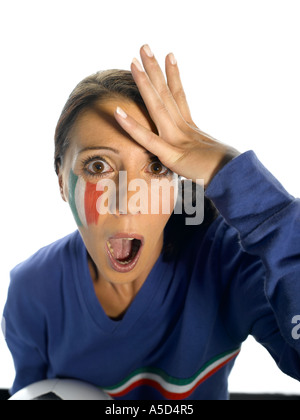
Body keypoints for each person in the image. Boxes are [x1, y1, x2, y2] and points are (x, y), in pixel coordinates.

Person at [2, 45, 300, 400]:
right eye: (98, 167)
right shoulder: (32, 290)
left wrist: (231, 174)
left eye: (156, 167)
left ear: (178, 183)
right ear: (62, 182)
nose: (128, 197)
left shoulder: (228, 263)